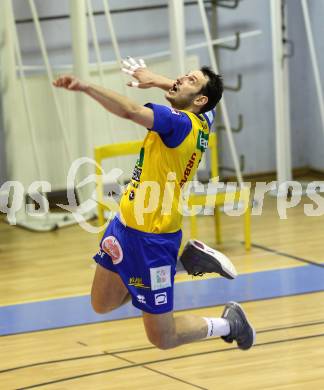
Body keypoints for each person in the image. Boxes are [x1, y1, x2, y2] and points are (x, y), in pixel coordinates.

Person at [53, 58, 255, 351]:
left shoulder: (177, 122)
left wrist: (86, 86)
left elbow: (130, 110)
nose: (179, 79)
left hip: (154, 242)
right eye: (182, 76)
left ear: (199, 99)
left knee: (163, 337)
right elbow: (196, 98)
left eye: (189, 80)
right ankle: (186, 262)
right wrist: (158, 80)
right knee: (102, 304)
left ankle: (229, 323)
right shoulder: (204, 117)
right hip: (123, 227)